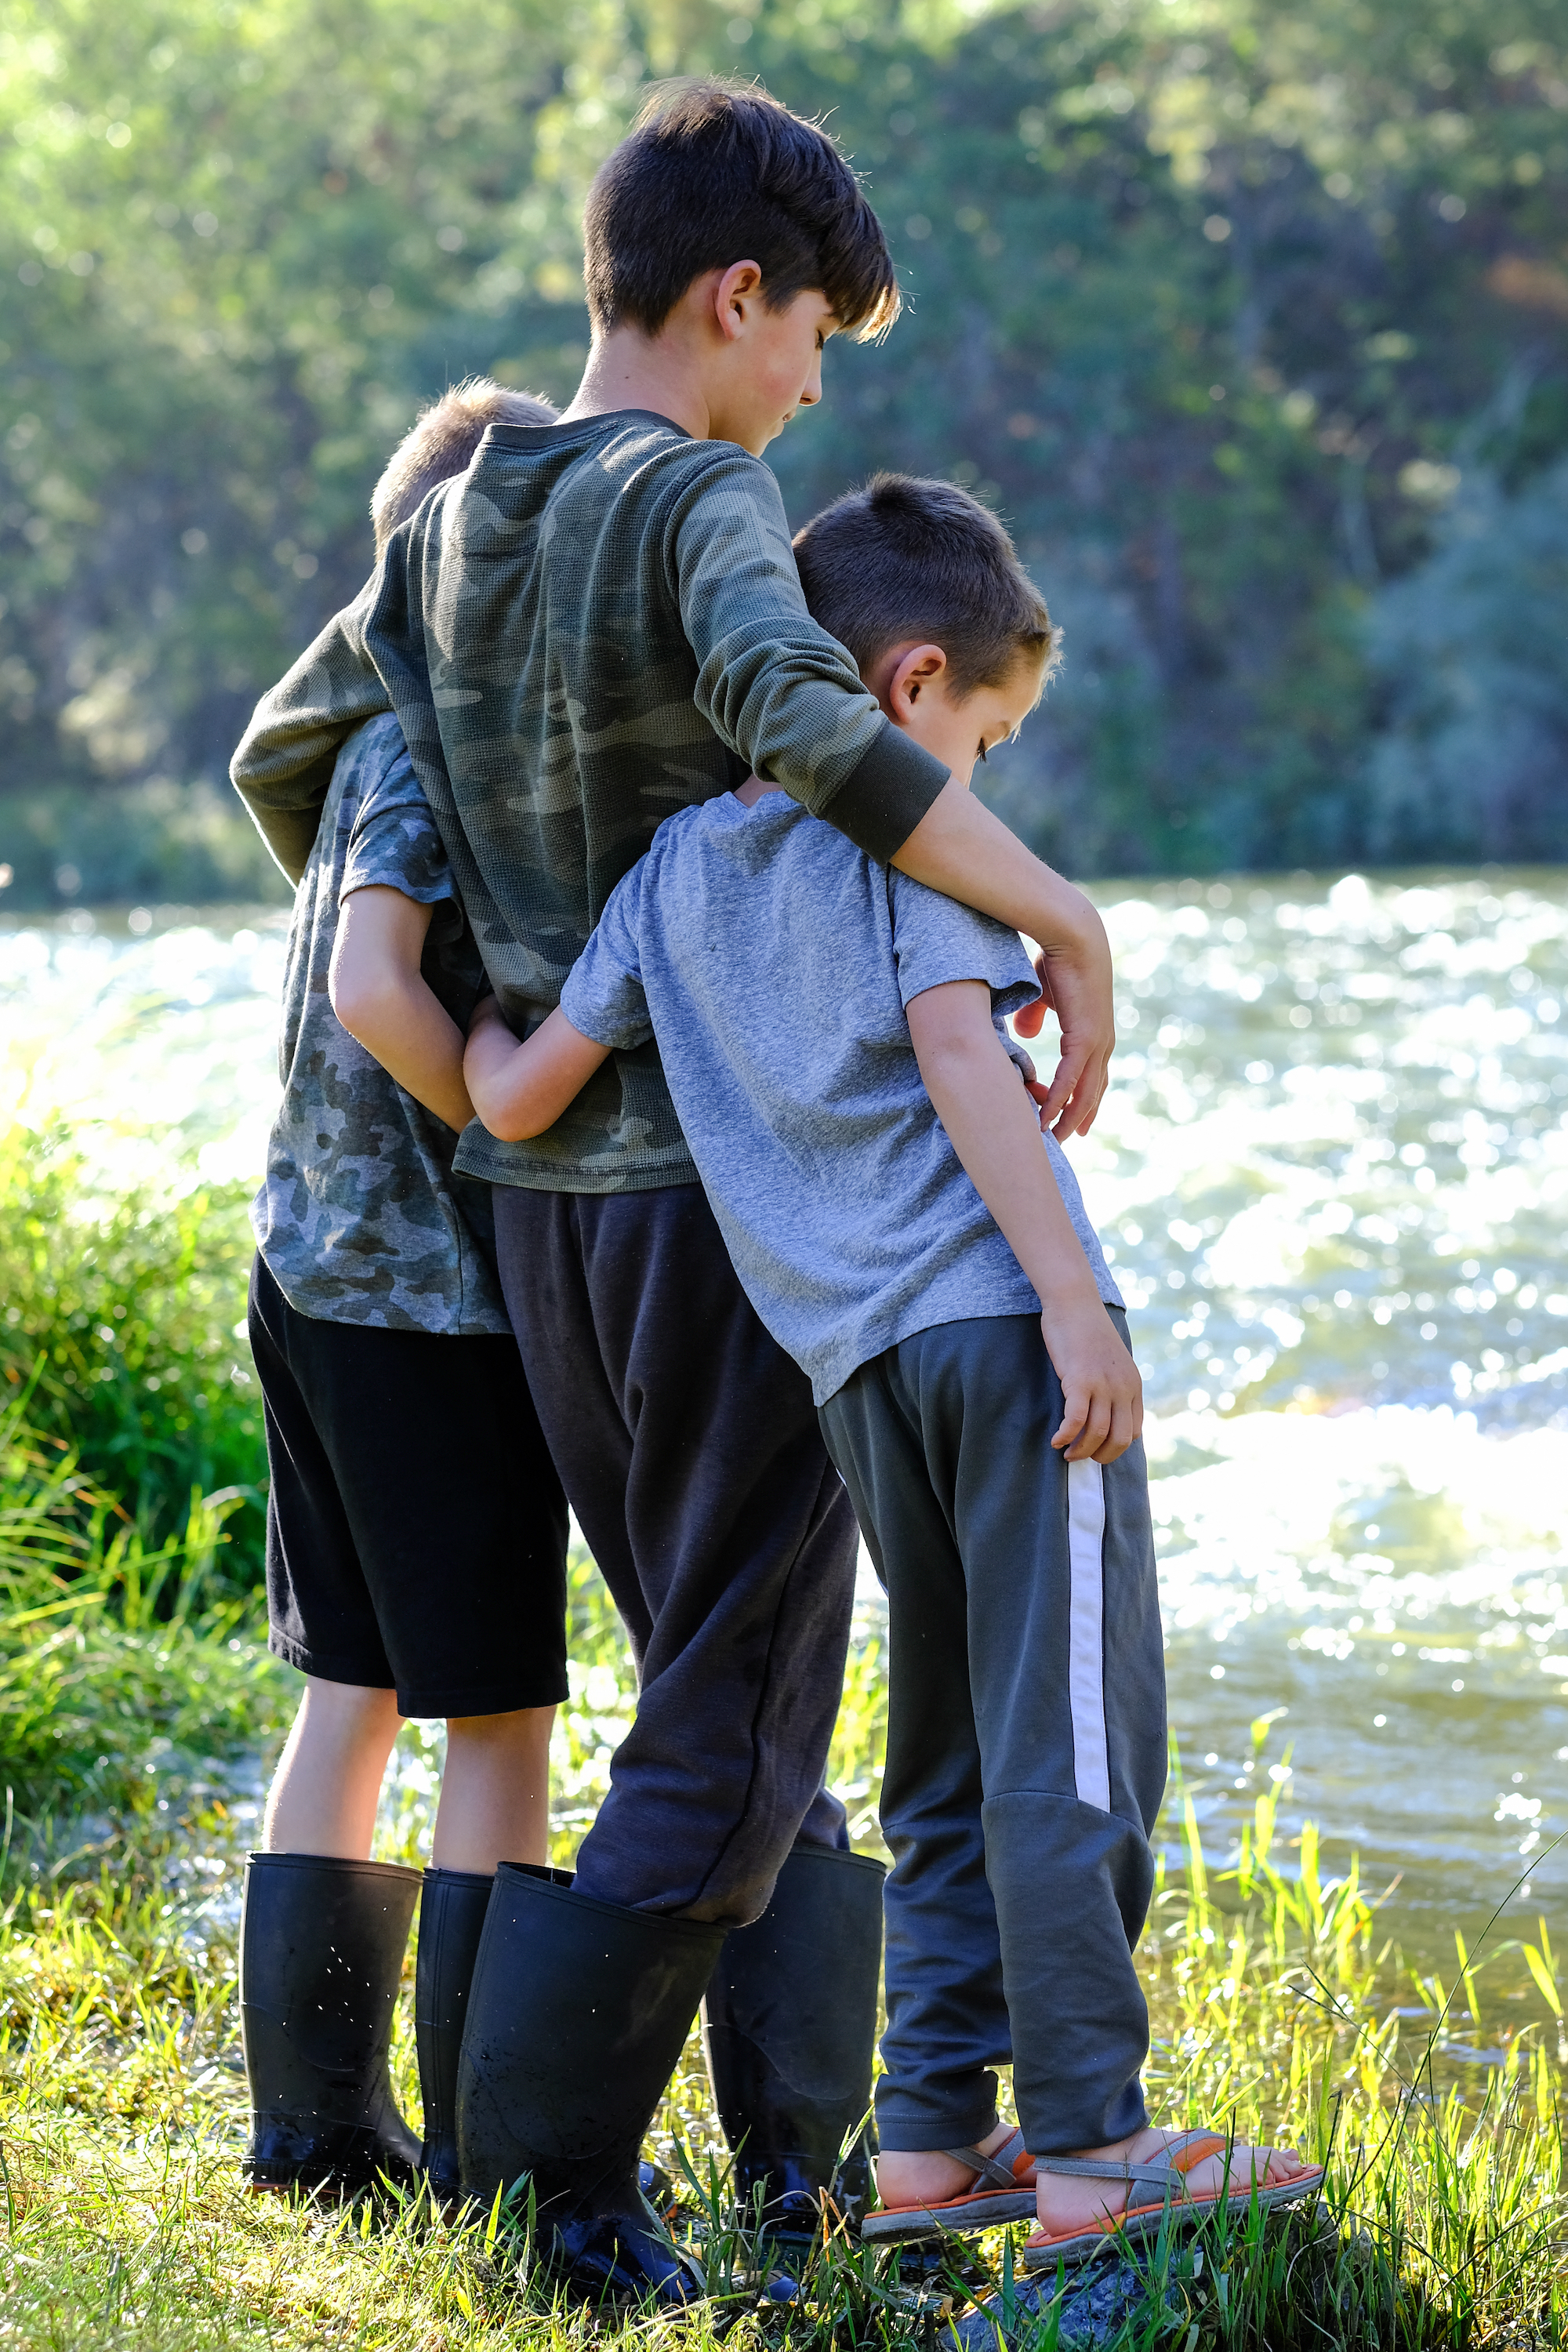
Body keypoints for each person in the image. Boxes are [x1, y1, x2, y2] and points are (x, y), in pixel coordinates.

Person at [232, 82, 1120, 2298]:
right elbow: (827, 746)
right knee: (729, 1731)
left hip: (544, 1227)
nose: (814, 388)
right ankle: (545, 2217)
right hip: (718, 1211)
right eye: (815, 336)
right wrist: (1068, 923)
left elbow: (286, 759)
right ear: (736, 297)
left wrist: (515, 993)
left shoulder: (447, 527)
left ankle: (801, 2181)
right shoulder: (704, 503)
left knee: (737, 1700)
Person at [463, 472, 1323, 2270]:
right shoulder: (913, 839)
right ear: (912, 684)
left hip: (851, 1373)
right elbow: (956, 1048)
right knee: (1077, 1738)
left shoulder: (675, 872)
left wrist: (454, 1014)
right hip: (997, 1336)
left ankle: (931, 2142)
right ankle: (1095, 2152)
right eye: (984, 738)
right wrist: (1074, 1302)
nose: (981, 782)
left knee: (938, 1751)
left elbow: (523, 1091)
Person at [239, 381, 571, 2211]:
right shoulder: (437, 745)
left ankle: (313, 2132)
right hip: (425, 1306)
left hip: (303, 1266)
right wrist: (506, 1105)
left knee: (351, 1687)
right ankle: (487, 2157)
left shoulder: (361, 723)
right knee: (501, 1715)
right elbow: (381, 985)